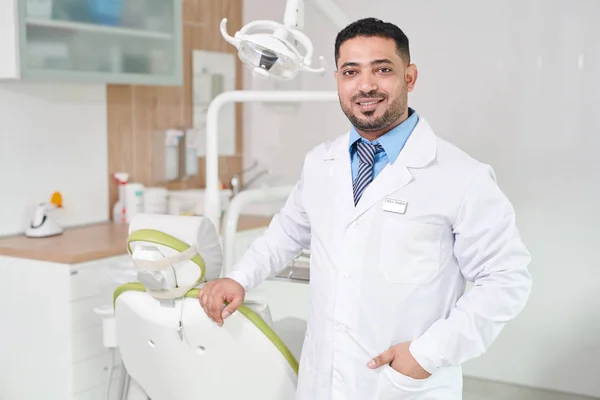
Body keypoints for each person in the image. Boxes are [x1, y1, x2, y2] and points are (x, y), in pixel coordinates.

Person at [198, 17, 532, 399]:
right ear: (338, 81)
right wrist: (239, 277)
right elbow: (287, 232)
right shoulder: (320, 163)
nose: (366, 85)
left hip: (403, 384)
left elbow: (507, 279)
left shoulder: (462, 176)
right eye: (350, 72)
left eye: (383, 70)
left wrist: (427, 354)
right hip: (323, 380)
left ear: (410, 77)